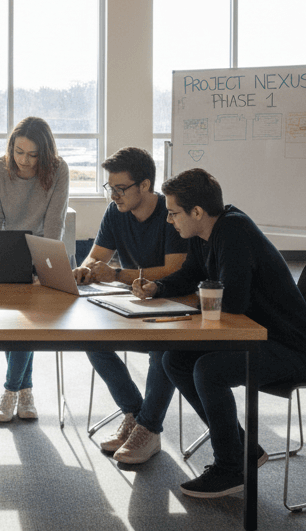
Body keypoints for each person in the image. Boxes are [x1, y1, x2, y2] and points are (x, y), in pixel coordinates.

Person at [144, 168, 306, 499]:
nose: (169, 220)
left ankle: (230, 467)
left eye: (173, 213)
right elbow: (190, 275)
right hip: (253, 337)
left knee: (209, 369)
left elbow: (233, 303)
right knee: (175, 360)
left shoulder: (234, 231)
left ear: (197, 212)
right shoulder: (202, 234)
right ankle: (244, 450)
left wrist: (198, 301)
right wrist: (158, 287)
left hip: (290, 349)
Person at [71, 146, 185, 464]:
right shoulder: (116, 213)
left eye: (120, 189)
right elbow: (97, 256)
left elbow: (173, 269)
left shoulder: (170, 213)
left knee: (162, 351)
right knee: (92, 340)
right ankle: (135, 414)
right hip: (139, 303)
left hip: (174, 303)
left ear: (145, 185)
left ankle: (148, 429)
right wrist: (87, 268)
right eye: (111, 188)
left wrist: (117, 274)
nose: (114, 196)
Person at [0, 116, 70, 423]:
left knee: (29, 320)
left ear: (44, 154)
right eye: (19, 152)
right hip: (4, 253)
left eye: (33, 155)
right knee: (13, 324)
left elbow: (54, 223)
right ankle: (26, 389)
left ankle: (10, 391)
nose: (24, 160)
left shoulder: (58, 170)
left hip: (41, 252)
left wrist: (42, 266)